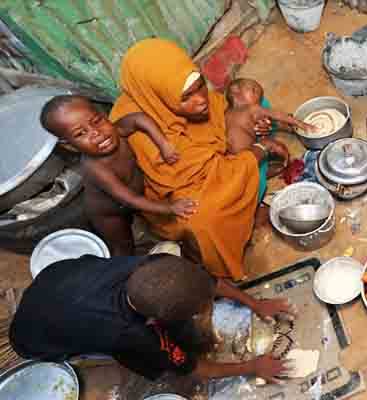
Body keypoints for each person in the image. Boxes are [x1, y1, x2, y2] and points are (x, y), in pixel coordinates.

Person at [110, 38, 280, 280]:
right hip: (186, 195)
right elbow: (201, 178)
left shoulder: (183, 87)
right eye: (186, 97)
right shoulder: (139, 130)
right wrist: (261, 148)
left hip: (216, 163)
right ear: (160, 96)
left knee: (257, 107)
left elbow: (220, 107)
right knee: (206, 220)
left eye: (200, 85)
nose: (201, 100)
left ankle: (252, 189)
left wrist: (247, 123)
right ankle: (245, 215)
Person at [10, 254, 291, 382]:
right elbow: (191, 368)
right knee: (158, 359)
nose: (208, 309)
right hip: (36, 340)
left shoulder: (153, 267)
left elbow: (206, 282)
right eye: (200, 310)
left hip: (53, 283)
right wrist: (253, 366)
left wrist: (254, 303)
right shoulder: (127, 332)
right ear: (157, 321)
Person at [39, 95, 197, 256]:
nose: (96, 133)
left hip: (132, 200)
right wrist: (170, 207)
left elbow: (139, 118)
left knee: (142, 222)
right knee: (123, 246)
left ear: (103, 114)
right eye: (80, 133)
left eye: (96, 121)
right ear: (69, 146)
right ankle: (125, 269)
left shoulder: (117, 131)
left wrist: (163, 144)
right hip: (109, 214)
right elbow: (130, 199)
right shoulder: (96, 168)